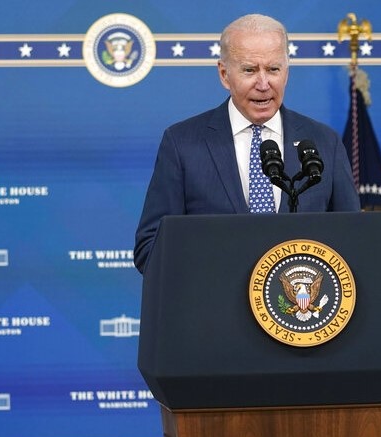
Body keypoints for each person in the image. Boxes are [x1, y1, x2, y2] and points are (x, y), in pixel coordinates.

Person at [134, 13, 360, 273]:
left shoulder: (324, 143)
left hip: (299, 306)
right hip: (213, 307)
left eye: (273, 69)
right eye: (250, 70)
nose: (263, 84)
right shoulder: (182, 143)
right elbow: (149, 248)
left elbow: (353, 240)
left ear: (287, 72)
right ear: (224, 74)